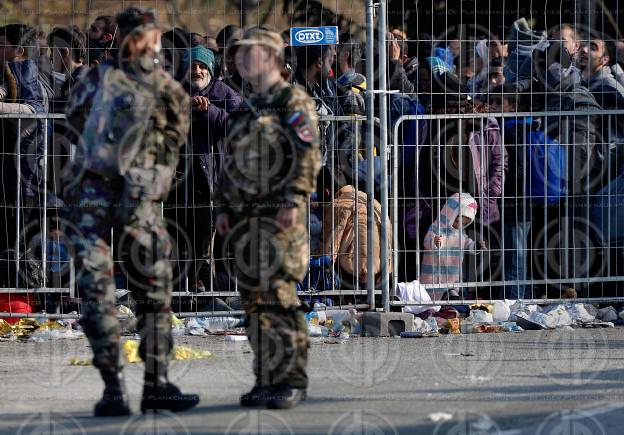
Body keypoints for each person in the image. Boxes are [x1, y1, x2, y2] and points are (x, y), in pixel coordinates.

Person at [61, 7, 199, 416]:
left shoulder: (93, 79)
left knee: (100, 293)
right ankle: (153, 385)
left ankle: (114, 390)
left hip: (92, 198)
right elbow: (177, 138)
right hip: (138, 200)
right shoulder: (166, 87)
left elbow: (72, 122)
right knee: (150, 292)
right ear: (150, 38)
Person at [215, 27, 321, 409]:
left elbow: (306, 153)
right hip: (246, 220)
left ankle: (291, 379)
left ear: (272, 57)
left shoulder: (291, 101)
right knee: (254, 300)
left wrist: (294, 199)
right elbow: (230, 164)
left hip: (280, 218)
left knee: (279, 295)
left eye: (249, 51)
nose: (241, 58)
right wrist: (224, 209)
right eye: (238, 53)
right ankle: (266, 377)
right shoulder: (247, 106)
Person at [172, 44, 241, 291]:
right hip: (179, 182)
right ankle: (188, 291)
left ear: (210, 69)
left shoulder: (225, 93)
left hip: (214, 183)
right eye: (192, 66)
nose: (197, 71)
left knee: (211, 241)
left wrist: (208, 111)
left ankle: (211, 290)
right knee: (183, 239)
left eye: (202, 66)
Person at [420, 193, 487, 301]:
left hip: (453, 274)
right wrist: (435, 242)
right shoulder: (437, 227)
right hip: (434, 273)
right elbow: (426, 242)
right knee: (431, 299)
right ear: (449, 214)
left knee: (451, 298)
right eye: (457, 220)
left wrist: (476, 246)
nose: (459, 225)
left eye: (465, 223)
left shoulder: (460, 232)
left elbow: (466, 243)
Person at [47, 26, 87, 111]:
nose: (50, 57)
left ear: (65, 52)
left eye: (52, 51)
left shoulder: (80, 82)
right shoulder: (76, 78)